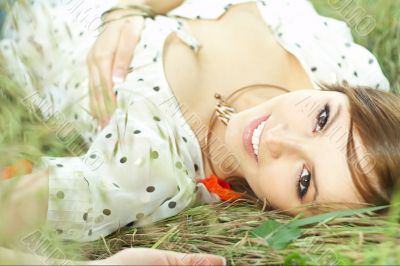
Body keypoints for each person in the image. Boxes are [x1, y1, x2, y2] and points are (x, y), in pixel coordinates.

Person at [0, 0, 399, 264]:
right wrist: (127, 9)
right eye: (323, 120)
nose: (278, 139)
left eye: (304, 180)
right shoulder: (341, 65)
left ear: (295, 219)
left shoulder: (149, 171)